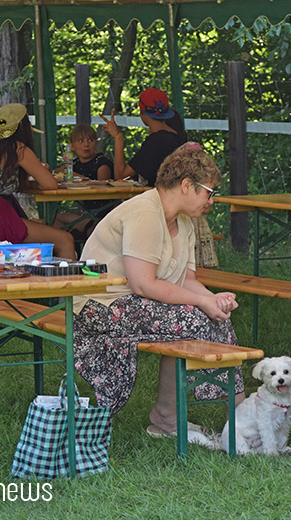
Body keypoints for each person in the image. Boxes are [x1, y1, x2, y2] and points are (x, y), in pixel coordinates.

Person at [71, 145, 244, 439]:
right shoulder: (145, 211)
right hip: (99, 304)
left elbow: (185, 280)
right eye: (208, 192)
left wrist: (213, 299)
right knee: (195, 318)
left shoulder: (185, 222)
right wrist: (202, 302)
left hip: (132, 302)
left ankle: (207, 420)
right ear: (187, 185)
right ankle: (238, 423)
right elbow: (143, 284)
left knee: (213, 316)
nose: (211, 201)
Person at [0, 103, 76, 260]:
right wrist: (42, 172)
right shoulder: (18, 148)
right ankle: (69, 283)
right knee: (64, 239)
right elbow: (50, 185)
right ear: (22, 124)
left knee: (50, 233)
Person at [100, 88, 187, 186]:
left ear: (142, 112)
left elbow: (121, 176)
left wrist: (118, 137)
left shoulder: (156, 141)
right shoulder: (179, 137)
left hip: (159, 199)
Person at [53, 124, 114, 241]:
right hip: (85, 214)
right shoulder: (74, 164)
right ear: (72, 145)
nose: (86, 145)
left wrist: (76, 176)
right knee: (52, 220)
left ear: (96, 143)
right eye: (80, 141)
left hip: (102, 216)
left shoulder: (101, 163)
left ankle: (86, 234)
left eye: (90, 140)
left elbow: (101, 188)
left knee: (56, 220)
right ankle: (79, 237)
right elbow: (56, 173)